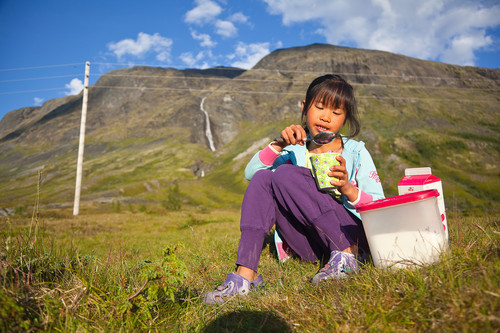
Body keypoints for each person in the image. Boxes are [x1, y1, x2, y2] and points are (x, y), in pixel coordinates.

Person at [202, 74, 385, 305]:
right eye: (319, 107)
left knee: (286, 173)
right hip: (311, 246)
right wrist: (279, 145)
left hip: (353, 239)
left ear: (345, 118)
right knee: (265, 176)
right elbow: (251, 175)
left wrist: (348, 189)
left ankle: (347, 256)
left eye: (336, 112)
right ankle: (244, 275)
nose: (326, 117)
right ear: (304, 107)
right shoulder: (294, 151)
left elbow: (379, 205)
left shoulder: (356, 152)